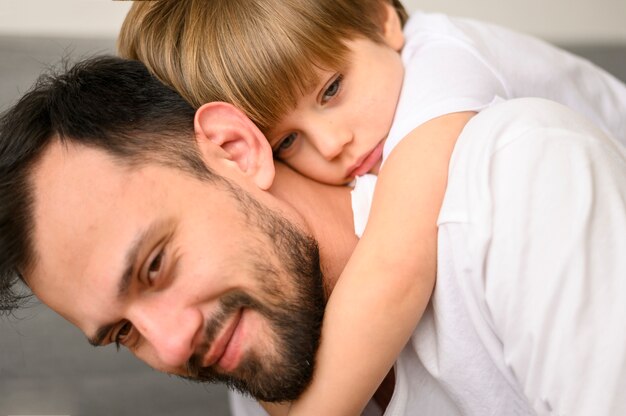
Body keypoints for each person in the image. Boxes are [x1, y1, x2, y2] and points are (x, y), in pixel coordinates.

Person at [1, 56, 625, 416]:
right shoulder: (262, 363)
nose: (170, 345)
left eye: (156, 265)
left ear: (235, 151)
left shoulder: (517, 180)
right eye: (123, 333)